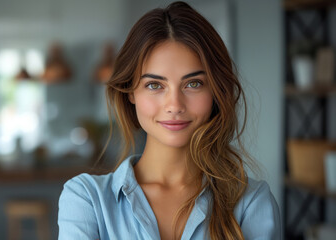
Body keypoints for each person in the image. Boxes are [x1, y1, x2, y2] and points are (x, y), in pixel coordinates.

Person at [58, 1, 281, 239]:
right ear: (130, 92)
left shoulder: (250, 203)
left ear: (215, 91)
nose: (174, 105)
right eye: (155, 85)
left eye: (193, 84)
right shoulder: (87, 199)